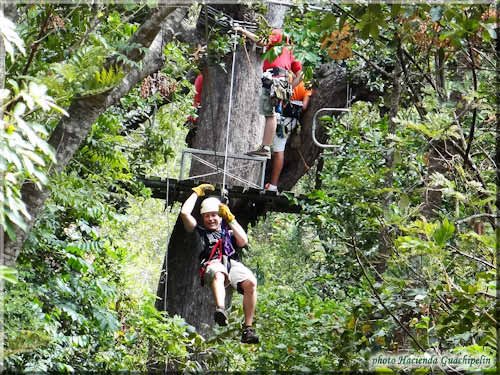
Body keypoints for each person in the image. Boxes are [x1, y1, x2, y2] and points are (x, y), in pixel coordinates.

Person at [180, 183, 259, 344]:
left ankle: (248, 329)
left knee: (251, 283)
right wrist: (196, 193)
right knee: (218, 273)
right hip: (211, 263)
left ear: (220, 216)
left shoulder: (228, 232)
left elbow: (243, 241)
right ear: (202, 218)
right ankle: (220, 309)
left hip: (231, 263)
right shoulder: (199, 231)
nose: (210, 219)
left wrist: (231, 219)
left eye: (214, 215)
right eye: (207, 216)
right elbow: (184, 213)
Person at [233, 26, 302, 159]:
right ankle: (265, 146)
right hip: (282, 81)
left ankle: (265, 147)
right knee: (271, 113)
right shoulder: (291, 50)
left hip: (274, 78)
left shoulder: (277, 33)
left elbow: (262, 40)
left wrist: (242, 31)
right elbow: (301, 75)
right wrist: (289, 87)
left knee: (270, 114)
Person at [265, 80, 312, 192]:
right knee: (278, 150)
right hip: (289, 120)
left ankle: (271, 183)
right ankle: (273, 185)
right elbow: (304, 106)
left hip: (278, 117)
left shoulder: (285, 78)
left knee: (271, 147)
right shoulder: (307, 84)